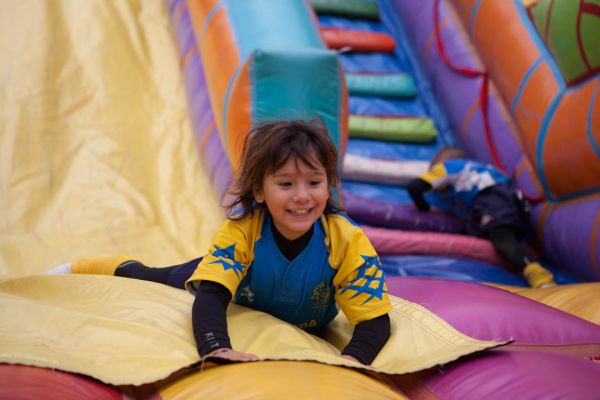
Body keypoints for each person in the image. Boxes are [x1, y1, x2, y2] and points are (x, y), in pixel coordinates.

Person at [47, 119, 392, 365]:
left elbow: (375, 321)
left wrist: (351, 364)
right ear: (259, 190)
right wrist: (215, 346)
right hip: (235, 290)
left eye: (314, 182)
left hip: (307, 321)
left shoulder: (346, 241)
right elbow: (211, 295)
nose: (302, 197)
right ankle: (82, 267)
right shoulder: (244, 230)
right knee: (148, 277)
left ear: (328, 184)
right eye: (286, 184)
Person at [406, 146, 556, 289]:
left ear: (441, 160)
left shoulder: (448, 166)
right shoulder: (483, 168)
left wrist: (423, 208)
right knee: (483, 231)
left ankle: (540, 277)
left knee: (502, 239)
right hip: (516, 202)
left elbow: (415, 186)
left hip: (493, 199)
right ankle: (528, 259)